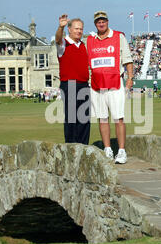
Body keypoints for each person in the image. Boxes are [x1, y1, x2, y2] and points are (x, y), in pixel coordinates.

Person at [86, 11, 134, 164]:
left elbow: (128, 59)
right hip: (97, 85)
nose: (101, 23)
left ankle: (121, 151)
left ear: (107, 21)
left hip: (115, 83)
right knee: (102, 118)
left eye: (103, 21)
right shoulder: (90, 40)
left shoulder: (118, 36)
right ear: (95, 24)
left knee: (118, 117)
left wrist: (130, 78)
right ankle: (107, 149)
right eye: (98, 21)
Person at [55, 14, 90, 145]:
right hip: (69, 84)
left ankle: (83, 147)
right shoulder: (64, 43)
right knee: (71, 118)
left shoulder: (83, 45)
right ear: (69, 29)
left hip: (84, 84)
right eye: (76, 28)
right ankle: (71, 147)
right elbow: (58, 39)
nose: (79, 31)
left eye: (81, 29)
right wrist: (60, 27)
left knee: (84, 119)